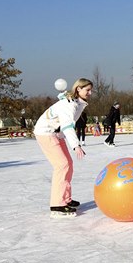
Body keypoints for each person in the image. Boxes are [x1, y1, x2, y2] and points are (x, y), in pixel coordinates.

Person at [33, 78, 92, 218]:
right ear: (78, 89)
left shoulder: (76, 102)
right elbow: (67, 126)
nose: (90, 93)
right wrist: (76, 146)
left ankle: (65, 199)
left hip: (56, 134)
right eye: (87, 90)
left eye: (91, 90)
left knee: (68, 165)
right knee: (62, 165)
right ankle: (57, 205)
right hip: (46, 132)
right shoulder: (69, 104)